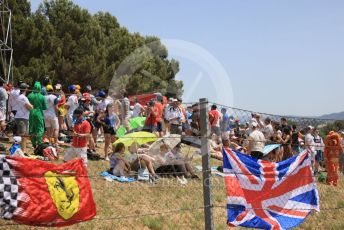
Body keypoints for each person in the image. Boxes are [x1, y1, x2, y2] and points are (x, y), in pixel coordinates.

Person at [27, 82, 48, 148]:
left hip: (31, 113)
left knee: (32, 128)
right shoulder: (42, 97)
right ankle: (39, 142)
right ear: (39, 88)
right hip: (39, 113)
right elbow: (45, 107)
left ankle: (33, 142)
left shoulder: (29, 95)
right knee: (40, 128)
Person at [14, 83, 33, 153]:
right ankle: (23, 151)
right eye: (27, 88)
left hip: (20, 116)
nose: (27, 89)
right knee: (23, 135)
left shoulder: (19, 96)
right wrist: (32, 106)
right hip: (23, 117)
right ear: (25, 89)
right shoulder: (23, 97)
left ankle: (20, 150)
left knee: (21, 134)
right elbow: (30, 107)